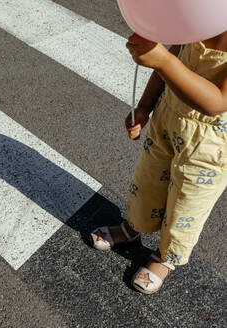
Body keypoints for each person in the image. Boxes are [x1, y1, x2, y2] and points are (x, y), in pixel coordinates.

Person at [91, 31, 227, 294]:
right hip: (167, 120)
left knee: (186, 205)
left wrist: (163, 61)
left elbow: (218, 102)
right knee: (147, 182)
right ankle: (133, 227)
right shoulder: (198, 15)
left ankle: (166, 257)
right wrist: (144, 107)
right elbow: (164, 67)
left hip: (210, 146)